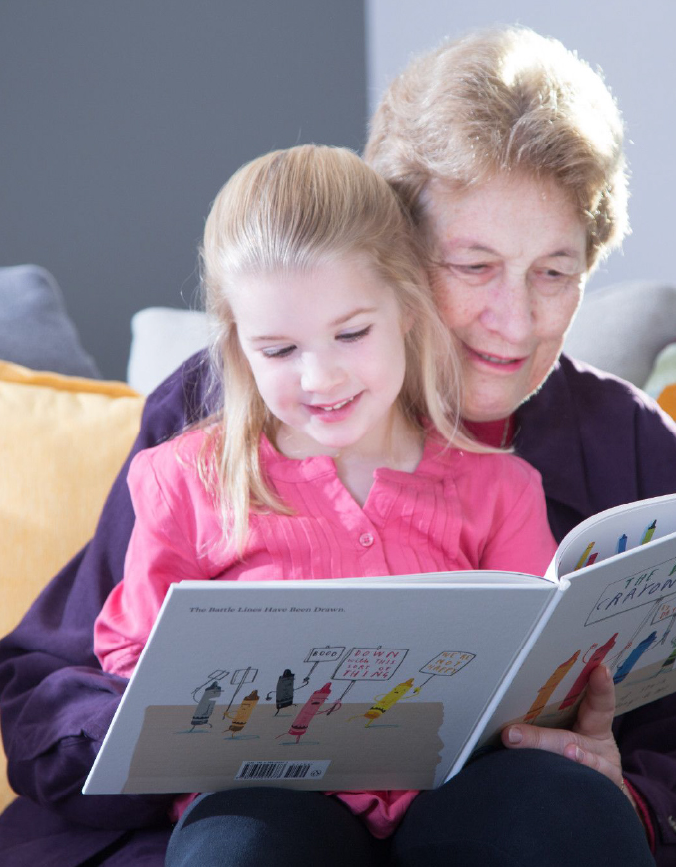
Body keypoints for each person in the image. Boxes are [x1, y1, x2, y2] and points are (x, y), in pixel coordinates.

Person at [0, 25, 676, 867]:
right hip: (258, 816)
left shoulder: (624, 445)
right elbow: (58, 683)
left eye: (553, 272)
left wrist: (619, 788)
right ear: (392, 254)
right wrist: (191, 734)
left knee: (564, 815)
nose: (516, 320)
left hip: (501, 817)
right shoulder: (223, 416)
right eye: (472, 265)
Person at [92, 142, 560, 839]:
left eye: (350, 333)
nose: (319, 378)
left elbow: (536, 673)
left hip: (452, 795)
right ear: (239, 345)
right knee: (239, 845)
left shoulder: (500, 488)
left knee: (562, 805)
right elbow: (132, 654)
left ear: (405, 306)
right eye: (279, 350)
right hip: (270, 800)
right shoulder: (185, 480)